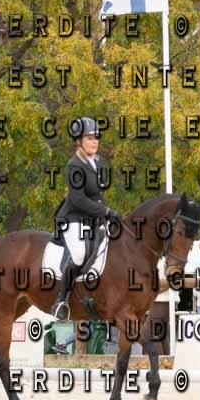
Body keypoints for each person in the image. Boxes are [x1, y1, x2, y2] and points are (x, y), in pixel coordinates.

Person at [51, 117, 120, 320]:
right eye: (89, 138)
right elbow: (78, 199)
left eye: (96, 138)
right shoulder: (74, 165)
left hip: (92, 219)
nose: (94, 142)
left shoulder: (97, 162)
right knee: (79, 255)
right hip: (73, 218)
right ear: (79, 141)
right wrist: (106, 212)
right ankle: (61, 301)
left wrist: (109, 216)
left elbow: (97, 195)